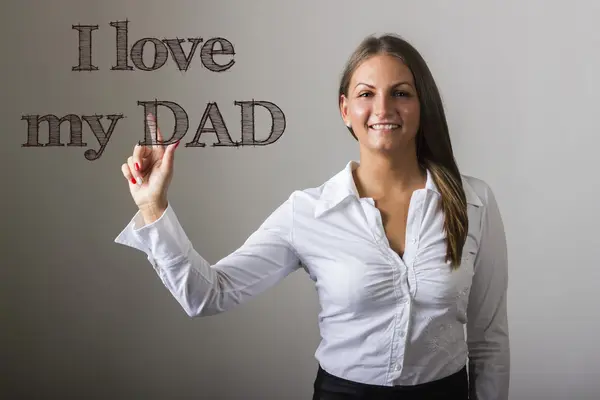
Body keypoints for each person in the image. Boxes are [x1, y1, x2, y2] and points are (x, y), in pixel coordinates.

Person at [115, 33, 510, 400]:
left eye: (401, 93)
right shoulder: (308, 213)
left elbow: (488, 340)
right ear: (345, 109)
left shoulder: (474, 202)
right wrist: (153, 206)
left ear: (422, 105)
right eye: (366, 94)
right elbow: (208, 294)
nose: (383, 109)